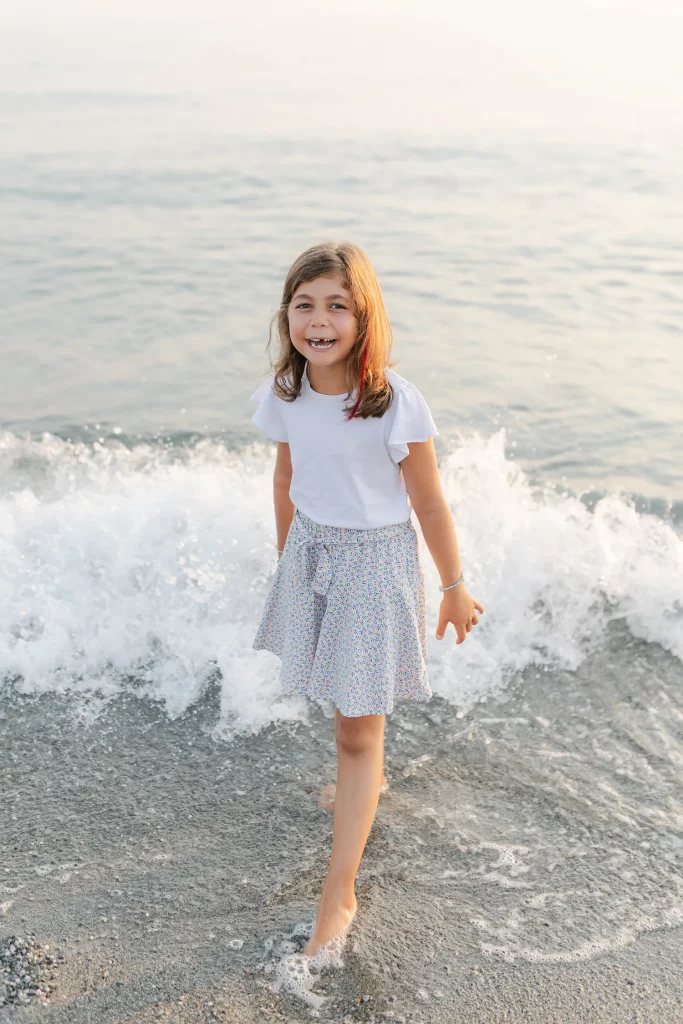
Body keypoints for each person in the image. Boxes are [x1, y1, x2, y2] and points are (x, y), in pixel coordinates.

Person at [249, 241, 484, 969]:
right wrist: (287, 560)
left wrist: (453, 585)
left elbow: (429, 502)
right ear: (286, 315)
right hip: (312, 554)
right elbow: (286, 476)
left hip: (375, 566)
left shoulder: (391, 400)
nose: (318, 321)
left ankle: (339, 890)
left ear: (364, 317)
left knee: (356, 728)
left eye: (336, 306)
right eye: (304, 305)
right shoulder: (285, 394)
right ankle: (364, 781)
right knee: (343, 706)